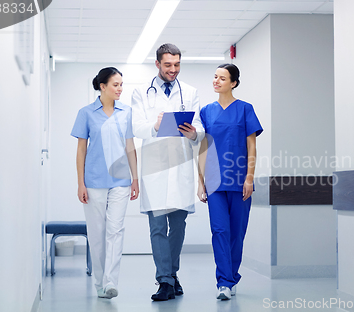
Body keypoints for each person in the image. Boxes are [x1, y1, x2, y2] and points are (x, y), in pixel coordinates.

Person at [131, 43, 204, 301]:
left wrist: (195, 133)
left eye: (177, 65)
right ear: (158, 64)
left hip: (181, 166)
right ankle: (164, 280)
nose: (173, 70)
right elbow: (136, 127)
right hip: (155, 169)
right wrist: (155, 125)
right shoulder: (141, 92)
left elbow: (199, 128)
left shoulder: (191, 92)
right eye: (168, 65)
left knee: (179, 226)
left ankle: (171, 274)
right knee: (157, 227)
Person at [71, 67, 139, 299]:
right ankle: (99, 283)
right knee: (97, 233)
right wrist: (80, 183)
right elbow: (81, 151)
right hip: (94, 181)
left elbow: (130, 147)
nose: (120, 89)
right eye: (116, 85)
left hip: (120, 181)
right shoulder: (86, 113)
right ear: (102, 87)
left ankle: (111, 282)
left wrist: (135, 178)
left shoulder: (126, 112)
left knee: (115, 230)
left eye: (122, 84)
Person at [197, 63, 263, 300]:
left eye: (222, 78)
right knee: (219, 230)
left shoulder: (245, 109)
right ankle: (223, 282)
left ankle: (232, 276)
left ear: (233, 83)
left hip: (239, 180)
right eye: (215, 77)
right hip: (214, 181)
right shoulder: (206, 111)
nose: (216, 81)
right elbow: (203, 146)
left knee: (237, 232)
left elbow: (252, 145)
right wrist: (200, 180)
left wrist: (249, 177)